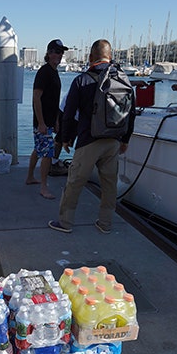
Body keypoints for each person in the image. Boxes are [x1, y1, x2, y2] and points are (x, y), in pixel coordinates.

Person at [48, 39, 135, 235]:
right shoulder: (123, 79)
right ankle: (105, 223)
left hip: (89, 140)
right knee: (109, 184)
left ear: (90, 57)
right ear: (110, 56)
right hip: (113, 140)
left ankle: (65, 222)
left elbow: (69, 113)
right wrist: (126, 139)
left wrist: (65, 138)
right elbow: (132, 112)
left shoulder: (82, 80)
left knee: (74, 182)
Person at [26, 38, 69, 200]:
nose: (59, 55)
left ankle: (30, 177)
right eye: (57, 52)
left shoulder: (54, 71)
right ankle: (44, 186)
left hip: (50, 120)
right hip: (42, 121)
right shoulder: (44, 72)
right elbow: (36, 97)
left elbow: (54, 99)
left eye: (61, 52)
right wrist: (41, 122)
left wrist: (56, 120)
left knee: (39, 149)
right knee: (47, 153)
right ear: (49, 53)